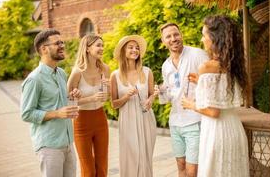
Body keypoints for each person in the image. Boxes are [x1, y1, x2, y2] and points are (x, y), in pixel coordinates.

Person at [181, 15, 250, 177]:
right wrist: (201, 81)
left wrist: (190, 104)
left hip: (216, 133)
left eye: (204, 35)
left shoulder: (207, 67)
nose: (202, 39)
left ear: (215, 38)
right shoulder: (232, 64)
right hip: (234, 130)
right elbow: (222, 93)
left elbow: (214, 112)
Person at [21, 29, 80, 177]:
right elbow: (26, 113)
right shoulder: (34, 79)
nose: (62, 46)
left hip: (68, 142)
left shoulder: (61, 73)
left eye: (62, 42)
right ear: (44, 49)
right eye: (57, 43)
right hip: (49, 146)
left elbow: (60, 101)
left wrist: (73, 96)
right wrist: (57, 114)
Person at [157, 23, 209, 177]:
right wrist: (160, 90)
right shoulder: (166, 66)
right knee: (180, 165)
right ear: (163, 41)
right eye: (168, 36)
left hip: (195, 120)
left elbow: (213, 81)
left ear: (181, 35)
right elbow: (168, 96)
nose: (173, 39)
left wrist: (199, 81)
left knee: (193, 170)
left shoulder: (197, 54)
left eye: (176, 34)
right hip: (175, 122)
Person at [110, 35, 157, 177]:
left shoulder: (147, 72)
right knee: (130, 157)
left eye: (137, 48)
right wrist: (126, 96)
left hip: (146, 119)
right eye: (131, 47)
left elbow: (151, 94)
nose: (135, 50)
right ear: (124, 51)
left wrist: (151, 100)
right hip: (127, 121)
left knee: (145, 157)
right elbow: (114, 104)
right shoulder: (115, 75)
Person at [67, 33, 110, 177]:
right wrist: (90, 98)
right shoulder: (77, 72)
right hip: (81, 122)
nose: (102, 48)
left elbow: (105, 98)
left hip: (100, 119)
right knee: (88, 169)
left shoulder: (105, 69)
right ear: (87, 48)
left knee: (102, 166)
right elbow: (68, 101)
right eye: (98, 45)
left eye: (102, 45)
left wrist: (107, 91)